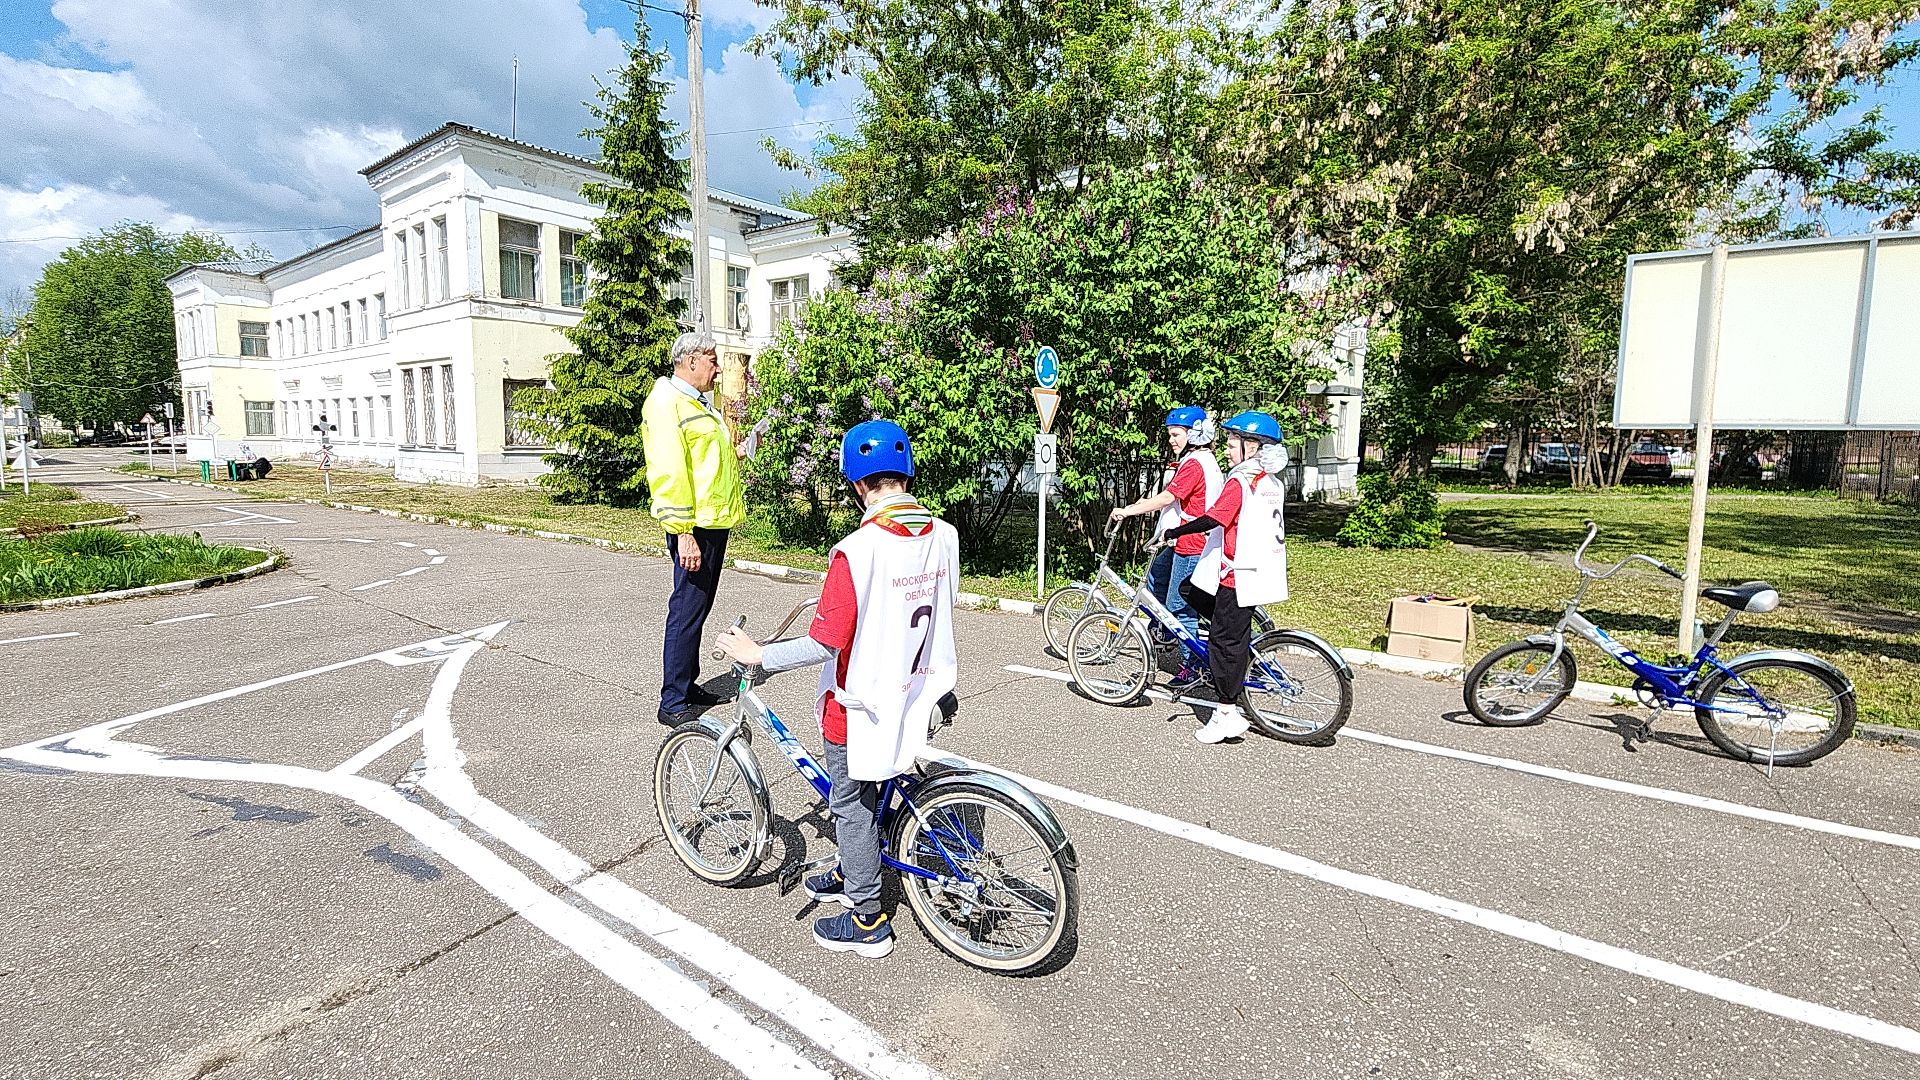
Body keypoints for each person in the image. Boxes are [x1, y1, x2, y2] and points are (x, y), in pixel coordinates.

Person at [715, 420, 959, 959]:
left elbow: (826, 643)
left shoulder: (858, 548)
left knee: (850, 802)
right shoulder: (943, 534)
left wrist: (760, 655)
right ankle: (854, 865)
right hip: (916, 690)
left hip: (862, 702)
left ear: (856, 484)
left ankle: (868, 919)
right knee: (875, 788)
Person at [1162, 411, 1291, 744]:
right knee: (1190, 590)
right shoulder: (1270, 481)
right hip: (1256, 570)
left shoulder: (1242, 481)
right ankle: (1230, 648)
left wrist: (1175, 531)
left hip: (1238, 575)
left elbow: (1212, 519)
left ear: (1253, 446)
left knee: (1224, 644)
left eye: (1234, 444)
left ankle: (1225, 715)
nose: (1228, 450)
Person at [642, 331, 746, 725]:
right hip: (694, 527)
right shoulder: (667, 403)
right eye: (713, 360)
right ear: (690, 361)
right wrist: (682, 531)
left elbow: (704, 461)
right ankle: (672, 703)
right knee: (686, 610)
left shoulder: (696, 402)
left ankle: (687, 684)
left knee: (697, 609)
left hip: (712, 523)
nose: (718, 369)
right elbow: (669, 471)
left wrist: (740, 449)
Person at [1107, 406, 1222, 689]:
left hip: (1192, 543)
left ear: (1194, 434)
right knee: (1156, 575)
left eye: (1176, 434)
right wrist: (1134, 506)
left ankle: (1194, 667)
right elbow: (1168, 497)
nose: (1171, 440)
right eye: (1170, 435)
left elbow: (1167, 498)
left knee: (1178, 609)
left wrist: (1128, 511)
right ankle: (1163, 631)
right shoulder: (1200, 460)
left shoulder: (1195, 463)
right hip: (1184, 541)